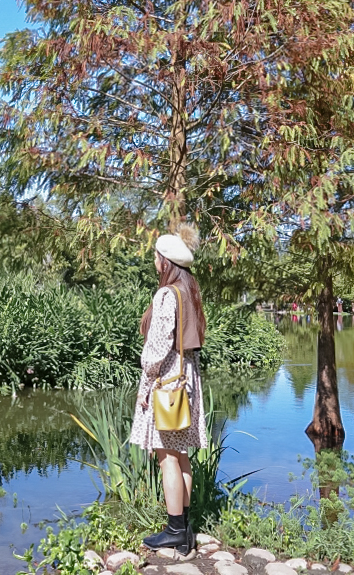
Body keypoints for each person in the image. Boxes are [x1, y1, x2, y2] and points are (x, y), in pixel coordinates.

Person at [129, 223, 208, 556]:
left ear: (165, 261)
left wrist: (147, 381)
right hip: (187, 378)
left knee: (166, 457)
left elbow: (157, 348)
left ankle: (175, 530)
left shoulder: (165, 295)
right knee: (181, 455)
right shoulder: (188, 292)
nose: (154, 260)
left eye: (156, 255)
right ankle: (185, 529)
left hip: (167, 381)